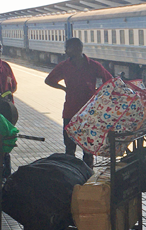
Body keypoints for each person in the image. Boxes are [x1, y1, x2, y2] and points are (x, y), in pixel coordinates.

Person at [45, 37, 112, 167]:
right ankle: (76, 173)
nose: (65, 51)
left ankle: (84, 174)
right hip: (76, 111)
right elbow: (49, 80)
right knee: (74, 148)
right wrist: (64, 88)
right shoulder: (67, 66)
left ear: (77, 48)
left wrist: (99, 92)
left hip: (87, 112)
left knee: (86, 149)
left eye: (67, 48)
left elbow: (109, 80)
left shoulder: (91, 65)